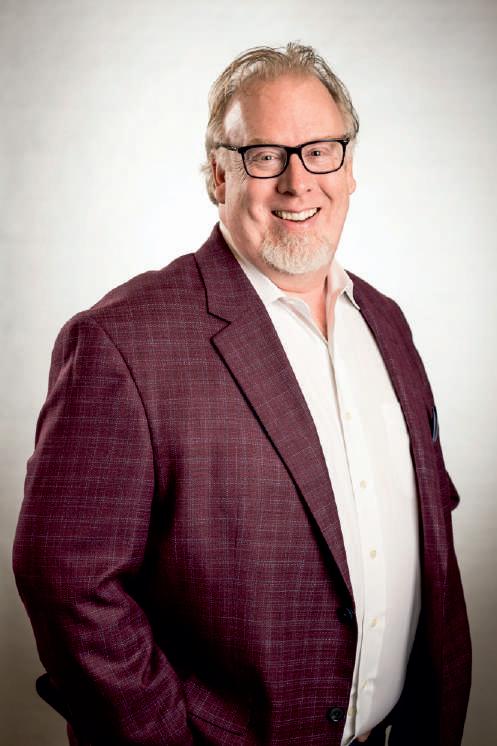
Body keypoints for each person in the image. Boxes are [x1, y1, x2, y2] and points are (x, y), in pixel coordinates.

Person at [13, 43, 471, 746]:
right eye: (263, 155)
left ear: (349, 166)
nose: (297, 181)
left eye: (320, 150)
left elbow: (428, 532)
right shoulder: (123, 343)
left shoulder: (386, 323)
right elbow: (67, 582)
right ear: (218, 175)